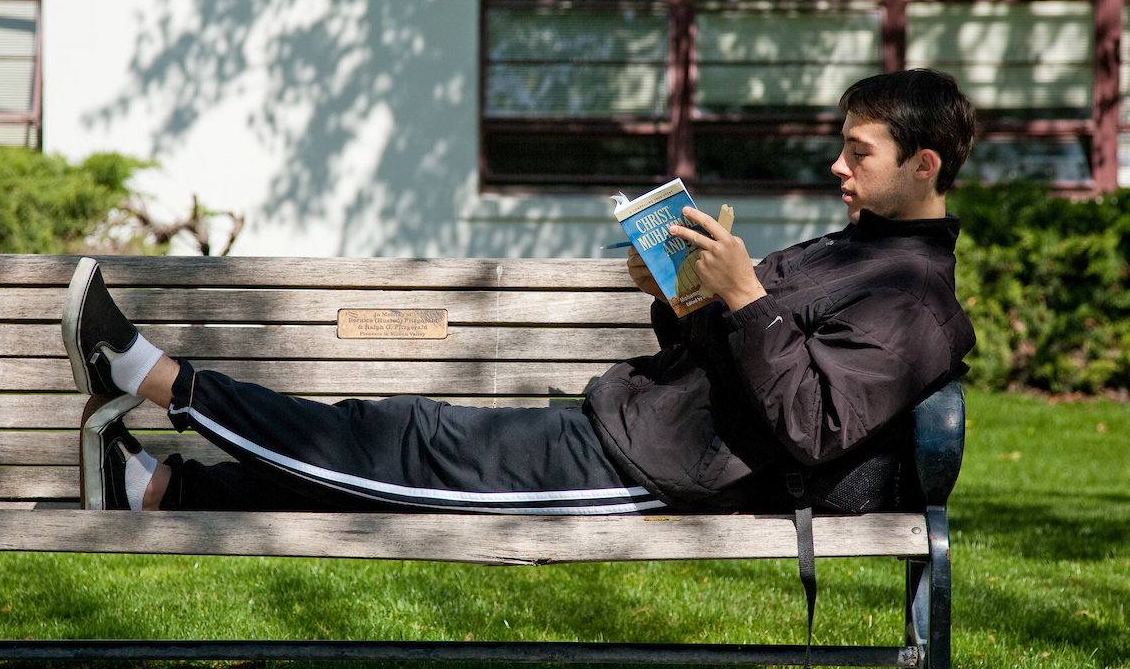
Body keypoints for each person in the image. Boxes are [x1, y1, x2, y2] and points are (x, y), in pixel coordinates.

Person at [63, 68, 977, 514]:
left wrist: (746, 297)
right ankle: (159, 489)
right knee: (399, 439)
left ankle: (158, 381)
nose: (838, 165)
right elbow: (741, 352)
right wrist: (687, 293)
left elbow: (812, 423)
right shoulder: (858, 250)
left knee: (401, 450)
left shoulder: (922, 304)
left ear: (923, 164)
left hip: (656, 476)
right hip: (627, 423)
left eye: (859, 152)